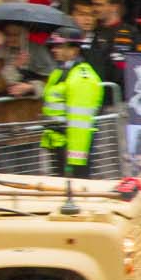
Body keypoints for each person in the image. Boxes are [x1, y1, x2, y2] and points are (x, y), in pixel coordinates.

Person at [40, 28, 104, 175]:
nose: (54, 50)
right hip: (58, 143)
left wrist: (75, 159)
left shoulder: (82, 78)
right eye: (53, 46)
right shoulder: (59, 72)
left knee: (76, 190)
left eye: (59, 46)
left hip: (71, 148)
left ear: (74, 50)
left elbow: (80, 122)